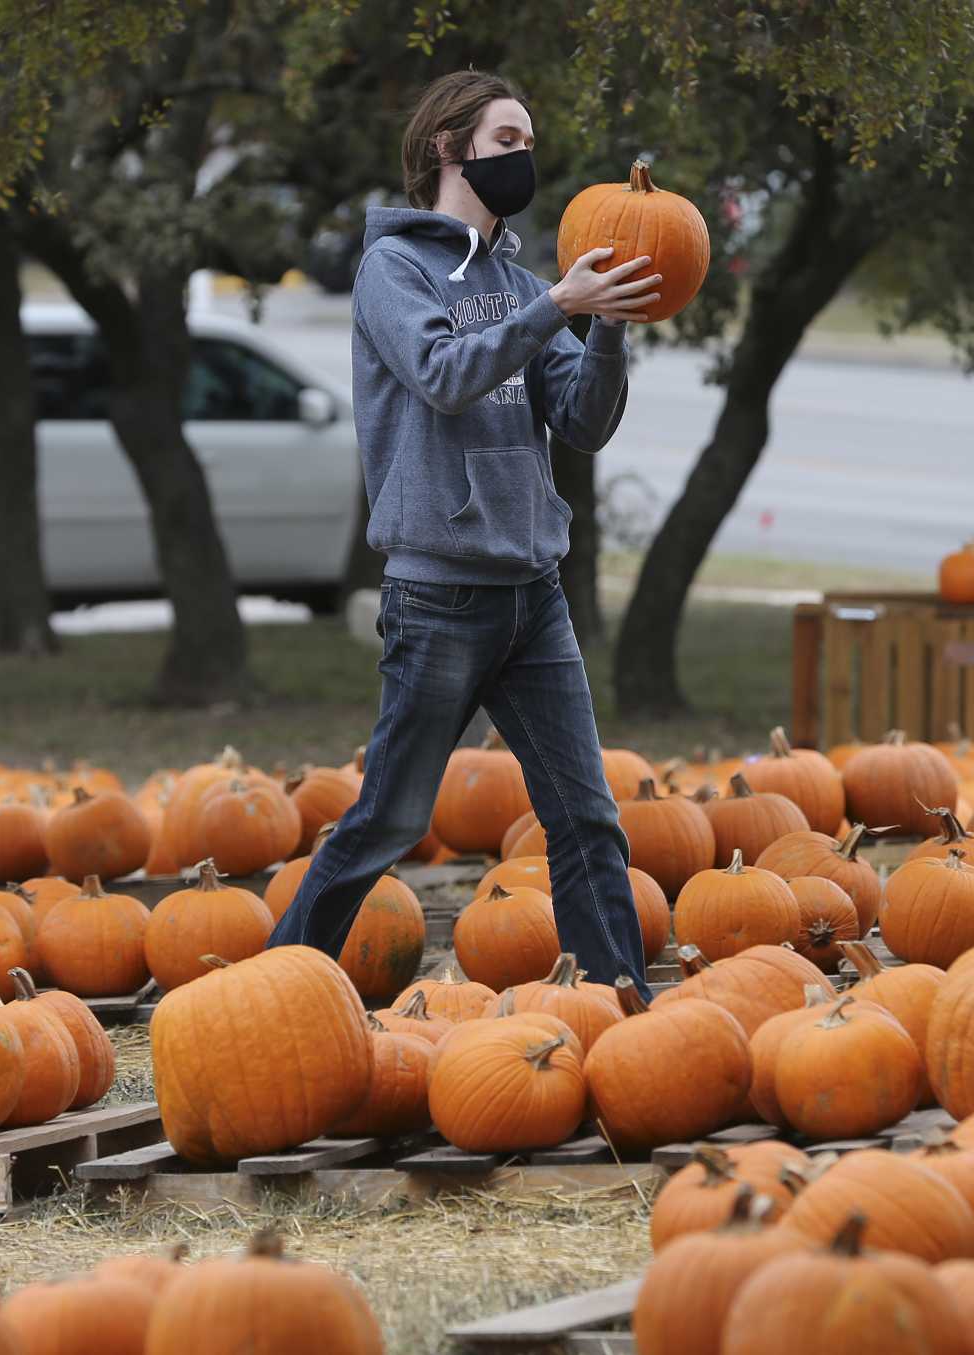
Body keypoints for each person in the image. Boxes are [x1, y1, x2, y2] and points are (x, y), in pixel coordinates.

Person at [264, 70, 662, 994]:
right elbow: (443, 373)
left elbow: (584, 423)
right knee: (387, 821)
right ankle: (274, 990)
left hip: (535, 593)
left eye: (529, 143)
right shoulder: (392, 272)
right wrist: (556, 307)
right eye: (507, 141)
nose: (525, 158)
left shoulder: (522, 283)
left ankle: (621, 1007)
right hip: (439, 594)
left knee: (586, 817)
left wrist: (601, 327)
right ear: (449, 148)